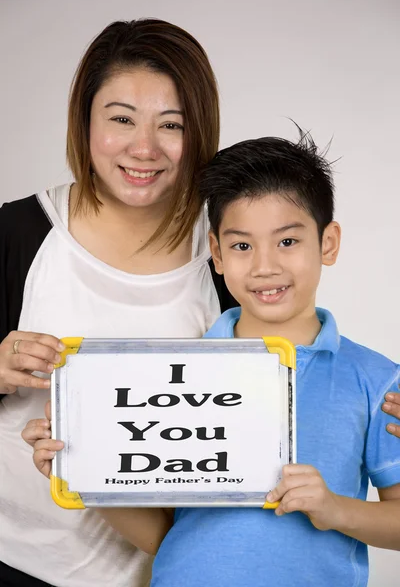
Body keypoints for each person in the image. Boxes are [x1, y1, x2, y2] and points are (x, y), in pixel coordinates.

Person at [26, 131, 400, 586]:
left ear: (328, 243)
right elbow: (164, 536)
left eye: (287, 241)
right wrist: (83, 468)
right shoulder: (175, 374)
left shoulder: (376, 380)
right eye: (242, 246)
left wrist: (335, 508)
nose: (265, 266)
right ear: (217, 253)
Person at [0, 18, 236, 587]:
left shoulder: (227, 249)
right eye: (121, 119)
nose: (143, 148)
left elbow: (286, 389)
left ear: (199, 132)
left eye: (171, 124)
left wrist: (374, 405)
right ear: (85, 123)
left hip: (155, 570)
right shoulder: (18, 232)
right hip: (12, 557)